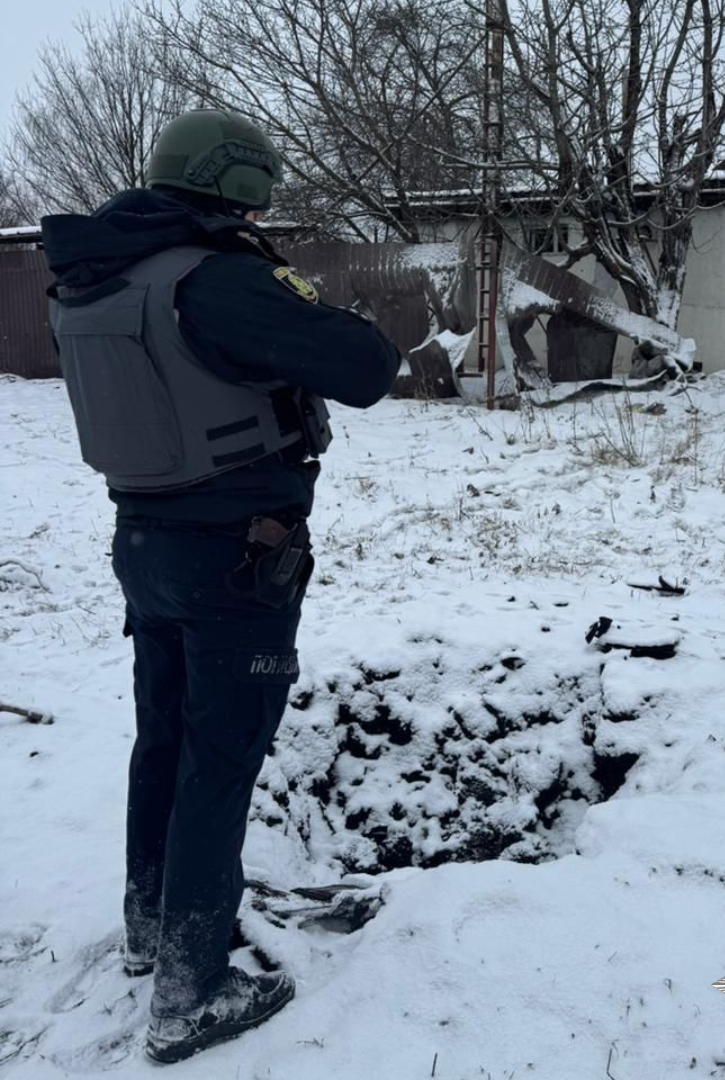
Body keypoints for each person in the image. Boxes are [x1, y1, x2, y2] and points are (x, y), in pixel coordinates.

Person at [40, 109, 400, 1064]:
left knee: (164, 736)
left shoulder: (92, 276)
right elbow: (368, 367)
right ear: (241, 180)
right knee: (222, 755)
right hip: (238, 552)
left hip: (144, 541)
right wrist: (307, 304)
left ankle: (155, 928)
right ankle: (192, 993)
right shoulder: (217, 278)